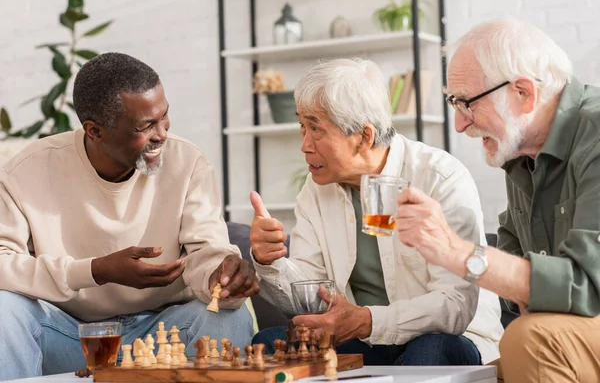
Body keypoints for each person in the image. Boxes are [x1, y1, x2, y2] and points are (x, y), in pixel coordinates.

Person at [0, 52, 259, 381]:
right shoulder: (29, 170)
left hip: (164, 331)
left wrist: (219, 274)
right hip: (67, 335)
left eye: (164, 117)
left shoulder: (187, 161)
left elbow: (205, 251)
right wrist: (95, 270)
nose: (162, 133)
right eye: (146, 126)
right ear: (95, 131)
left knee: (228, 319)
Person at [248, 58, 504, 366]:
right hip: (362, 341)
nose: (304, 145)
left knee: (430, 352)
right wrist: (269, 260)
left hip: (452, 337)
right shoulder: (314, 192)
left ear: (364, 137)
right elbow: (313, 301)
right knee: (268, 344)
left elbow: (454, 307)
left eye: (315, 128)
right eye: (302, 126)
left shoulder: (439, 177)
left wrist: (367, 320)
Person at [395, 17, 600, 382]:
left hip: (569, 329)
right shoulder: (522, 156)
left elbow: (586, 287)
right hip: (571, 334)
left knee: (530, 340)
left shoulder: (596, 137)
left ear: (523, 93)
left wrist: (456, 252)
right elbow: (517, 294)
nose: (459, 125)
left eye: (467, 103)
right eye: (453, 103)